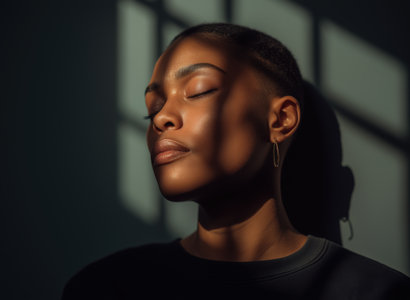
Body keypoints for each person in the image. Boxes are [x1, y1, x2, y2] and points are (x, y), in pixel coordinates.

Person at [62, 23, 409, 299]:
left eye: (199, 90)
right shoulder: (106, 288)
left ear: (280, 120)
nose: (161, 118)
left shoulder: (377, 292)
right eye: (153, 107)